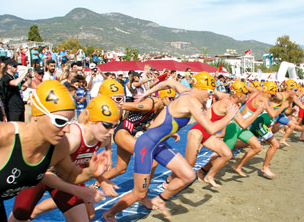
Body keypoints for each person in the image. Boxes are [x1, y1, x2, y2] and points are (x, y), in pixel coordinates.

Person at [0, 80, 108, 220]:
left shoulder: (59, 146)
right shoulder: (0, 135)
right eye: (60, 122)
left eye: (70, 122)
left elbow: (69, 175)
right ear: (37, 116)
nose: (67, 129)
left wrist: (90, 172)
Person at [102, 72, 238, 221]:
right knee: (139, 193)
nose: (210, 97)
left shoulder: (186, 92)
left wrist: (146, 93)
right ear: (201, 88)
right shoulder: (192, 102)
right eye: (209, 92)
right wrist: (230, 116)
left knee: (188, 175)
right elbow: (211, 129)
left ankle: (160, 199)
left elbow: (169, 82)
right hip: (146, 146)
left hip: (159, 144)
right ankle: (109, 214)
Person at [10, 95, 120, 221]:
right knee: (19, 217)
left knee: (84, 217)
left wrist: (101, 178)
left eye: (114, 126)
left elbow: (81, 162)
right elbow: (44, 172)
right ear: (91, 121)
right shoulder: (72, 138)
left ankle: (35, 211)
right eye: (107, 125)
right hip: (39, 176)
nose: (111, 132)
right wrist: (79, 189)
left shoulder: (102, 138)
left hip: (64, 176)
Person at [169, 80, 264, 187]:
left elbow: (213, 91)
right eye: (245, 94)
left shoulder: (226, 96)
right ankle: (168, 181)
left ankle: (209, 176)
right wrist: (258, 111)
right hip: (198, 131)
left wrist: (205, 104)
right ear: (239, 95)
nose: (247, 97)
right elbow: (243, 124)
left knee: (227, 154)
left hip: (207, 133)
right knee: (190, 163)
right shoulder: (230, 104)